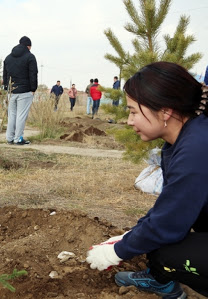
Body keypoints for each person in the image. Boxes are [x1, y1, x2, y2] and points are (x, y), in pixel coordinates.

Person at [86, 62, 208, 298]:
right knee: (151, 241)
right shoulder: (180, 142)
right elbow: (170, 205)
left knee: (163, 252)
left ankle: (163, 281)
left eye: (133, 111)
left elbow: (168, 224)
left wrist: (117, 252)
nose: (129, 121)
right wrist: (129, 235)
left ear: (165, 111)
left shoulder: (196, 148)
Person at [3, 36, 38, 145]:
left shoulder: (8, 58)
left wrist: (6, 88)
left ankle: (10, 138)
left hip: (12, 92)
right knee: (21, 115)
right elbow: (33, 74)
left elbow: (5, 75)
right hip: (25, 91)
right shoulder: (30, 57)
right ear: (28, 46)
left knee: (12, 115)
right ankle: (18, 139)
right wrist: (33, 89)